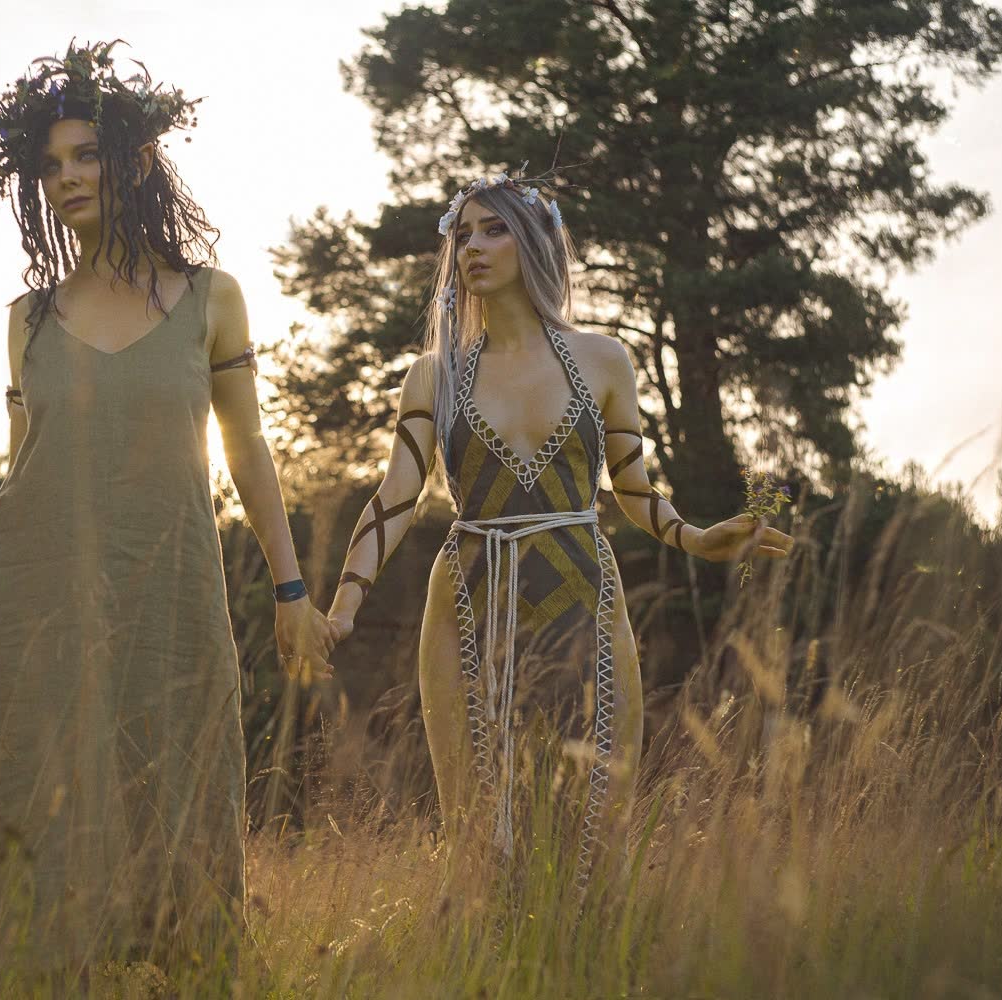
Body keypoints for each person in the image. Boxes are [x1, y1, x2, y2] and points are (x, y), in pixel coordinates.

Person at [0, 41, 337, 994]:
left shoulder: (211, 298)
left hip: (170, 601)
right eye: (49, 165)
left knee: (184, 809)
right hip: (34, 609)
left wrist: (291, 589)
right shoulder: (27, 319)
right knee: (36, 821)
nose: (66, 177)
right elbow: (19, 477)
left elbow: (249, 450)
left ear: (135, 160)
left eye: (85, 156)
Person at [326, 169, 793, 881]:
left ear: (535, 242)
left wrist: (697, 539)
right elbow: (395, 497)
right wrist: (342, 607)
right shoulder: (432, 375)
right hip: (467, 605)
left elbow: (633, 491)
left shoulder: (603, 359)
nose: (471, 246)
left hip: (584, 603)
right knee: (479, 840)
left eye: (493, 229)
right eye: (462, 234)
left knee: (594, 835)